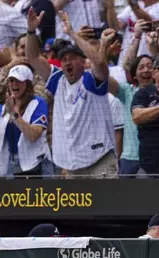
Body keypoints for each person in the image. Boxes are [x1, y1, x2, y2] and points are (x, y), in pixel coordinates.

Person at [26, 9, 118, 178]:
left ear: (83, 61)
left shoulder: (92, 79)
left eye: (72, 57)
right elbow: (32, 57)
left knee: (107, 205)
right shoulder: (57, 79)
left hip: (100, 162)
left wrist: (72, 34)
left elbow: (99, 61)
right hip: (72, 165)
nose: (67, 62)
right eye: (64, 59)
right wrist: (31, 31)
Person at [0, 64, 52, 178]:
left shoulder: (38, 103)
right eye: (11, 80)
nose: (14, 84)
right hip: (11, 164)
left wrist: (14, 114)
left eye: (19, 81)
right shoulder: (4, 107)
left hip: (37, 164)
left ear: (28, 84)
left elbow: (33, 135)